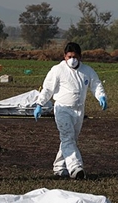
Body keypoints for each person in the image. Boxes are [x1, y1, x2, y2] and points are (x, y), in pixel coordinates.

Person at [33, 42, 107, 179]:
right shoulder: (57, 70)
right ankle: (75, 167)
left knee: (71, 139)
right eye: (69, 56)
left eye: (75, 56)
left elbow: (96, 85)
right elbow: (48, 88)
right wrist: (40, 103)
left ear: (80, 57)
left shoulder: (87, 71)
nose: (72, 60)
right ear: (64, 56)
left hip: (79, 110)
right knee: (67, 137)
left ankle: (59, 167)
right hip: (62, 109)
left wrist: (101, 96)